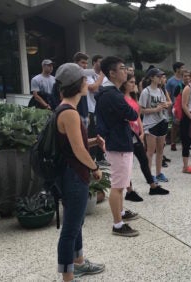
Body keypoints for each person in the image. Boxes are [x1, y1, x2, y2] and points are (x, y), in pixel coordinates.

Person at [54, 63, 105, 281]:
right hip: (74, 175)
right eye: (84, 79)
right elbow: (77, 151)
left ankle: (79, 262)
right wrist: (95, 168)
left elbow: (72, 144)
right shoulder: (70, 113)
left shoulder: (64, 108)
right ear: (77, 84)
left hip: (70, 173)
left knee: (76, 222)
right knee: (70, 230)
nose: (88, 82)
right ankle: (68, 276)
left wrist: (92, 141)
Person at [95, 56, 140, 237]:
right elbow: (132, 114)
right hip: (118, 143)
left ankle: (120, 212)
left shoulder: (111, 93)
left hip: (118, 141)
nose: (126, 71)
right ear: (112, 73)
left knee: (122, 182)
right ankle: (118, 225)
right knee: (118, 185)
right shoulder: (113, 95)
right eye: (122, 68)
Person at [121, 74, 169, 200]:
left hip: (137, 133)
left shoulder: (132, 97)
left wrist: (141, 131)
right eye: (131, 82)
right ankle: (129, 191)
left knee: (143, 160)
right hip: (127, 133)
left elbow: (137, 115)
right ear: (124, 84)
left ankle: (153, 187)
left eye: (134, 82)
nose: (134, 84)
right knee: (127, 163)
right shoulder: (121, 98)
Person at [139, 68, 172, 183]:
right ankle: (149, 175)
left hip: (161, 121)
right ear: (152, 77)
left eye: (161, 76)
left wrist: (165, 105)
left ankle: (158, 173)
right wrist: (155, 109)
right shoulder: (146, 92)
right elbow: (141, 110)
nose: (160, 78)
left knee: (160, 150)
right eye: (158, 76)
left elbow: (164, 104)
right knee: (150, 151)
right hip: (151, 124)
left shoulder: (160, 91)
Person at [86, 55, 109, 167]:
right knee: (92, 133)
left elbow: (106, 90)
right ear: (94, 63)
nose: (102, 64)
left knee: (102, 133)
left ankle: (100, 157)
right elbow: (94, 88)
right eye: (100, 62)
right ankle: (92, 158)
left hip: (102, 109)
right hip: (91, 108)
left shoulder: (104, 78)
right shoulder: (88, 76)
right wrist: (102, 76)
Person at [166, 62, 185, 151]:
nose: (183, 69)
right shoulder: (170, 81)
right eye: (182, 68)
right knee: (175, 125)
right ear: (177, 69)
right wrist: (169, 107)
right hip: (175, 106)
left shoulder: (184, 79)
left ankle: (184, 142)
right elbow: (168, 94)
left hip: (185, 105)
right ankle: (173, 142)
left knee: (184, 124)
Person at [73, 52, 91, 127]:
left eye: (86, 63)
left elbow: (84, 96)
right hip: (75, 114)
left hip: (85, 113)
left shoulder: (84, 76)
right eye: (83, 63)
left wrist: (87, 114)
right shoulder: (71, 78)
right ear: (75, 63)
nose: (85, 66)